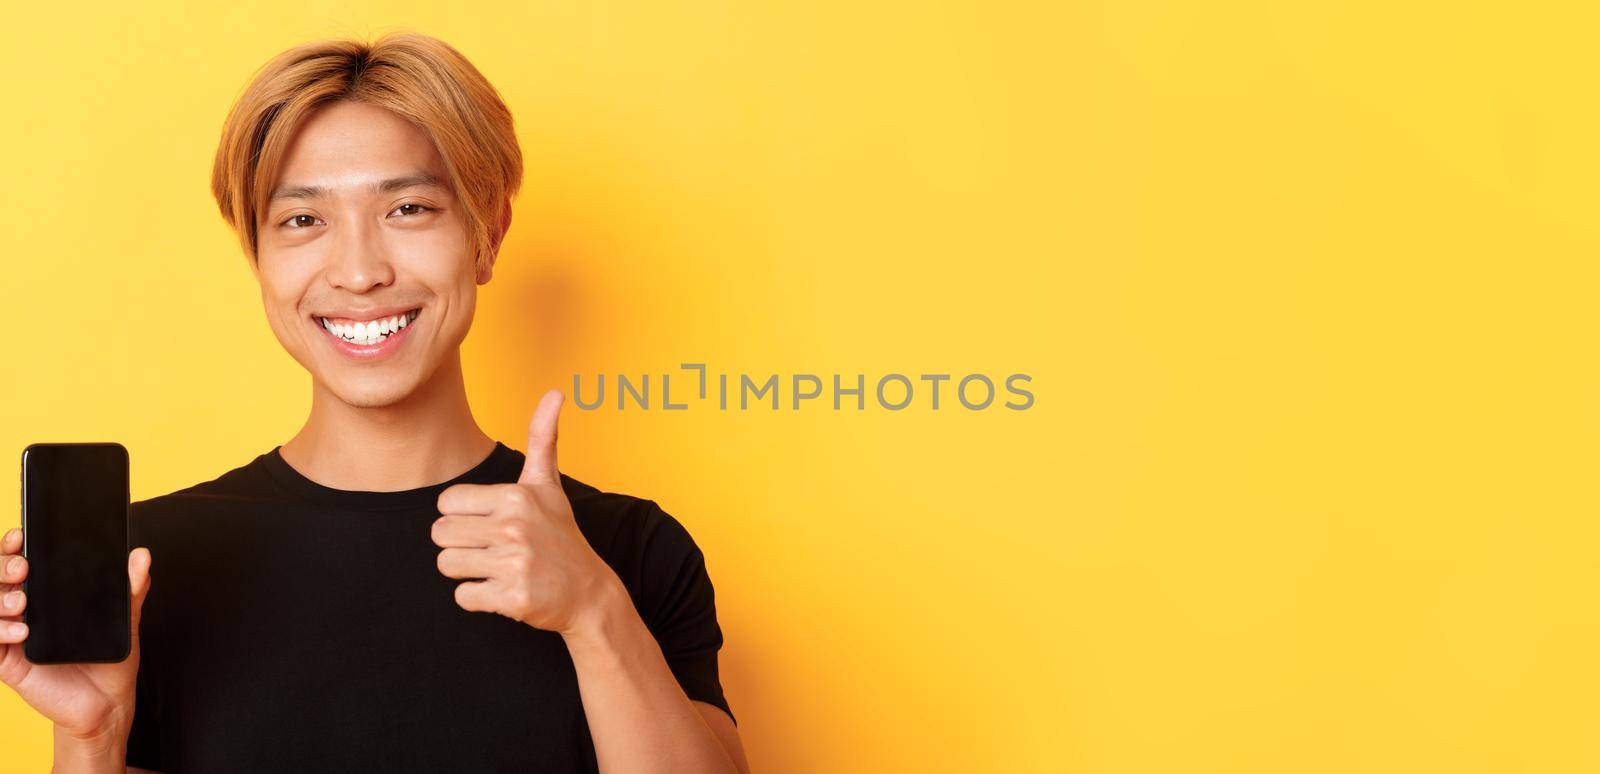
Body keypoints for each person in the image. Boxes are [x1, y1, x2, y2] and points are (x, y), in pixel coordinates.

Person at [0, 31, 750, 773]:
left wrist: (595, 614)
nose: (359, 272)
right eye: (303, 220)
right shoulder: (144, 569)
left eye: (409, 209)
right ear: (257, 257)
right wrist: (93, 740)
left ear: (488, 234)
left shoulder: (631, 552)